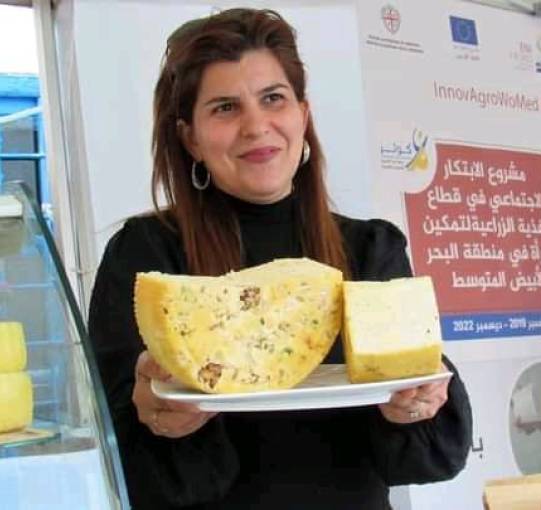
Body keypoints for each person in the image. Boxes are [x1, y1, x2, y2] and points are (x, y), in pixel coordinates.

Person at [88, 8, 473, 510]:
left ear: (303, 117)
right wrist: (158, 416)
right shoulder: (146, 258)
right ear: (190, 139)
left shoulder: (370, 249)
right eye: (225, 108)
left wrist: (418, 403)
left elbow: (430, 458)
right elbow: (123, 468)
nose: (256, 126)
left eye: (273, 98)